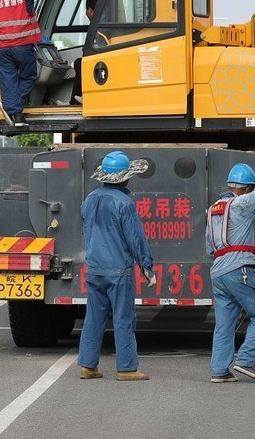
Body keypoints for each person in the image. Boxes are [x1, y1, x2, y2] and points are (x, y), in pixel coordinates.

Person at [78, 151, 154, 382]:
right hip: (118, 271)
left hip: (94, 269)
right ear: (125, 178)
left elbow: (86, 232)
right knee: (123, 318)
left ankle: (88, 366)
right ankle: (127, 368)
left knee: (93, 318)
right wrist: (146, 266)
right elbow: (135, 239)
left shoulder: (89, 200)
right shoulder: (124, 203)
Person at [206, 162, 255, 383]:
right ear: (247, 188)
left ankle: (220, 370)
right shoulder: (241, 203)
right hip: (239, 269)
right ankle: (246, 361)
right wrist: (253, 188)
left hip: (218, 272)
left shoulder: (213, 209)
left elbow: (209, 248)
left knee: (224, 324)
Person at [70, 0, 107, 105]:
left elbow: (97, 46)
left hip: (102, 60)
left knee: (79, 63)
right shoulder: (103, 22)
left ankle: (82, 98)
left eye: (86, 10)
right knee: (79, 63)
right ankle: (73, 102)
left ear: (90, 11)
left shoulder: (98, 26)